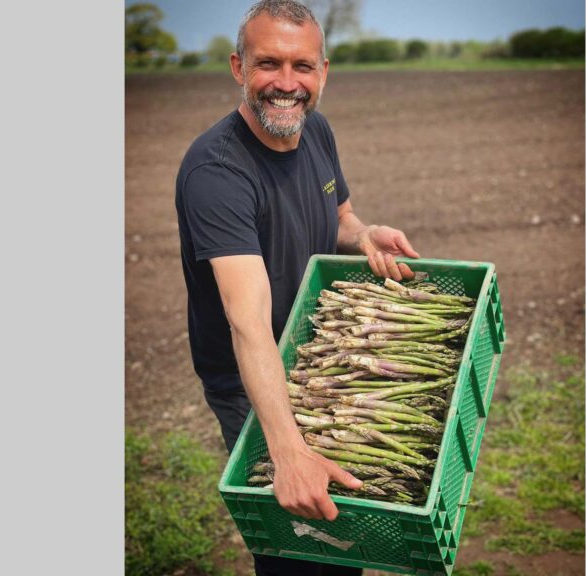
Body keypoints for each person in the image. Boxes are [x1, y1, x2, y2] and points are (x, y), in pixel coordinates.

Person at [175, 1, 420, 574]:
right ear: (238, 68)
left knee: (344, 537)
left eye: (302, 67)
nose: (287, 84)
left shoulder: (316, 130)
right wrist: (289, 452)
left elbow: (338, 217)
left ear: (324, 72)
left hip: (316, 351)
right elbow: (247, 321)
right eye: (268, 64)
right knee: (305, 552)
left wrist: (363, 235)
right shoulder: (218, 172)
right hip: (251, 373)